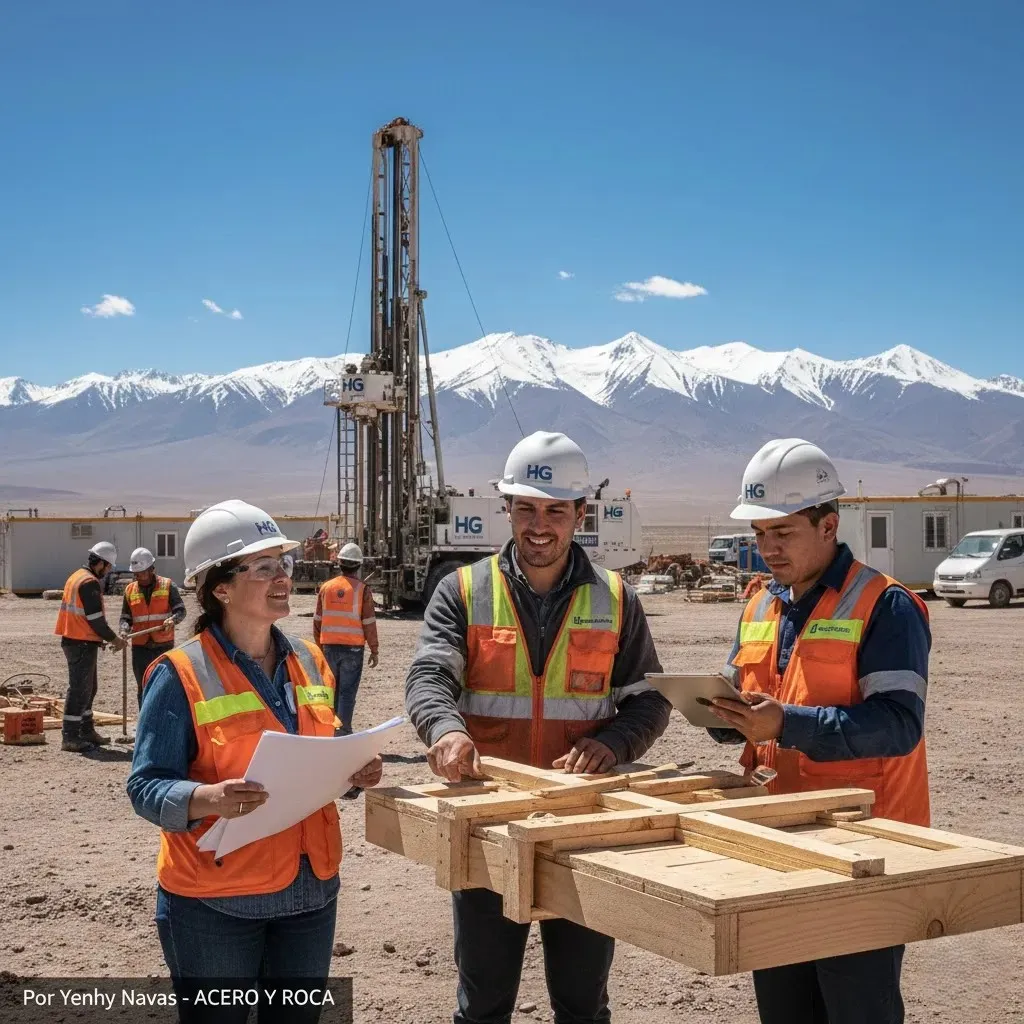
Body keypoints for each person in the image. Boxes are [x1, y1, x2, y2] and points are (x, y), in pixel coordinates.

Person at [405, 430, 672, 1024]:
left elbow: (649, 702)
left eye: (556, 510)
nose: (540, 525)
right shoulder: (464, 590)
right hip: (487, 822)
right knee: (484, 1000)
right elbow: (428, 677)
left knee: (581, 1001)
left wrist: (613, 743)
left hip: (582, 826)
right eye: (526, 508)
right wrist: (445, 730)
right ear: (507, 509)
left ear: (582, 513)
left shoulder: (617, 599)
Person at [126, 499, 383, 1021]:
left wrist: (352, 772)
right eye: (262, 568)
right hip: (216, 903)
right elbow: (146, 785)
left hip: (310, 893)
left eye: (282, 565)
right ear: (219, 587)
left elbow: (320, 750)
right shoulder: (180, 674)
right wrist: (207, 799)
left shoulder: (310, 660)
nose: (281, 579)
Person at [709, 438, 931, 1024]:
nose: (767, 548)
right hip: (778, 842)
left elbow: (899, 725)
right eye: (759, 534)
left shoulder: (886, 606)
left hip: (868, 849)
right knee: (784, 1010)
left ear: (828, 524)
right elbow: (752, 709)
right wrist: (725, 719)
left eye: (782, 532)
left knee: (858, 1008)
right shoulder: (760, 605)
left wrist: (786, 722)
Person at [54, 540, 127, 752]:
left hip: (78, 640)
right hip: (80, 643)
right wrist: (114, 639)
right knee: (80, 689)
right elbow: (95, 619)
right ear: (101, 563)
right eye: (109, 566)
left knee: (89, 688)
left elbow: (86, 619)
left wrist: (98, 639)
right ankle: (70, 736)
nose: (109, 571)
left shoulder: (76, 576)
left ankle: (86, 730)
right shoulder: (89, 582)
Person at [313, 542, 379, 735]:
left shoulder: (326, 587)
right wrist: (374, 649)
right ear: (358, 566)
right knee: (347, 692)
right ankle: (343, 731)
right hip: (353, 649)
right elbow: (368, 622)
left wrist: (319, 646)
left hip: (329, 648)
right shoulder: (362, 590)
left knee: (329, 691)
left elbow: (317, 621)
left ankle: (328, 729)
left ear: (339, 563)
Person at [118, 547, 187, 707]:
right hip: (140, 647)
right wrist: (124, 629)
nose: (139, 577)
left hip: (163, 646)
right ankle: (145, 722)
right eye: (136, 574)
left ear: (151, 569)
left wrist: (172, 620)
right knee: (143, 686)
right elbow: (125, 617)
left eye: (142, 573)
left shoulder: (168, 585)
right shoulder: (130, 590)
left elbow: (181, 611)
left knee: (164, 686)